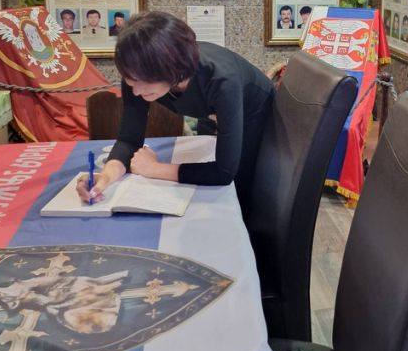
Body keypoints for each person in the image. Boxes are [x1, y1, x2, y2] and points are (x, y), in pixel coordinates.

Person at [76, 12, 275, 212]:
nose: (135, 91)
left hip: (256, 110)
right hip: (211, 107)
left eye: (142, 82)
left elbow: (224, 173)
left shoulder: (223, 80)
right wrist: (106, 176)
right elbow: (129, 139)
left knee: (243, 186)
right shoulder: (137, 73)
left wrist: (154, 168)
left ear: (173, 70)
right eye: (130, 80)